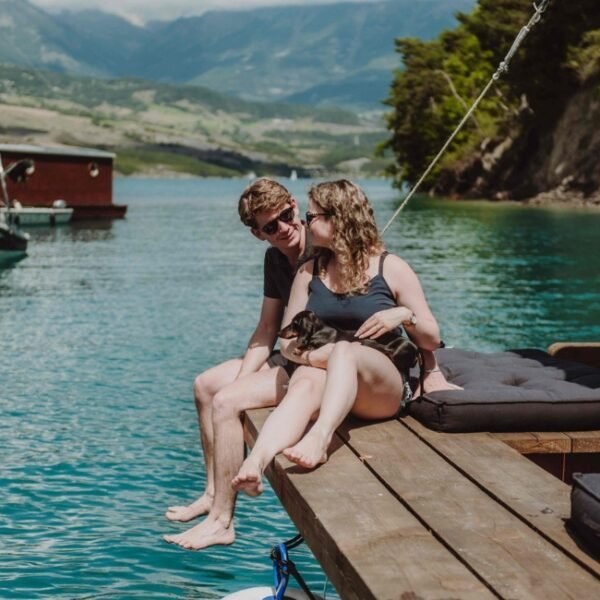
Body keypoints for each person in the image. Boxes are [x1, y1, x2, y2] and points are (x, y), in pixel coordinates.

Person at [232, 179, 459, 495]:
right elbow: (286, 341)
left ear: (338, 218)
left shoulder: (389, 267)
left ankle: (320, 438)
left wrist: (404, 315)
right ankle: (255, 463)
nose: (305, 224)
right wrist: (312, 359)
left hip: (381, 387)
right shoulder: (309, 271)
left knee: (344, 351)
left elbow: (432, 338)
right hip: (330, 379)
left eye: (312, 217)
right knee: (306, 379)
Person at [163, 178, 327, 550]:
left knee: (227, 401)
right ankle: (211, 492)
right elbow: (268, 326)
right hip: (285, 352)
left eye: (286, 216)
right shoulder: (274, 259)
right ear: (258, 234)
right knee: (206, 386)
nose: (283, 228)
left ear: (295, 206)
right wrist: (243, 375)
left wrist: (238, 388)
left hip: (311, 365)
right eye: (271, 226)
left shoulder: (322, 248)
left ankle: (223, 520)